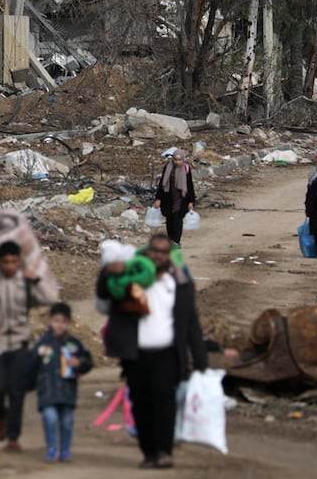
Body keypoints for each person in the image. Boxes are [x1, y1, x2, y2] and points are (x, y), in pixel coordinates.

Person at [95, 232, 209, 469]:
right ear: (147, 251)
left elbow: (190, 321)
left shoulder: (179, 282)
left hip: (167, 353)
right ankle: (148, 452)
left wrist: (200, 357)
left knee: (164, 399)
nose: (158, 256)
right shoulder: (132, 275)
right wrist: (107, 272)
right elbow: (104, 293)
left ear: (169, 255)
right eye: (154, 251)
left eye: (163, 252)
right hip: (135, 354)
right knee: (140, 402)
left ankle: (164, 451)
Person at [0, 240, 59, 452]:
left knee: (16, 392)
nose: (9, 266)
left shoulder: (25, 282)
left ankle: (13, 437)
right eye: (6, 262)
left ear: (19, 261)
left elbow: (51, 298)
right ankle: (2, 416)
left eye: (14, 261)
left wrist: (36, 280)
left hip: (19, 343)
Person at [25, 302, 93, 463]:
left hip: (67, 391)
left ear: (68, 323)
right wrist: (26, 384)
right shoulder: (42, 344)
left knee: (67, 420)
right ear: (50, 321)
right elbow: (31, 366)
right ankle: (51, 448)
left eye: (63, 321)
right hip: (47, 390)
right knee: (50, 417)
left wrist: (79, 364)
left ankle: (65, 450)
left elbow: (87, 361)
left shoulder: (74, 344)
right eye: (56, 321)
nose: (59, 325)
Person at [153, 148, 196, 247]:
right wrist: (158, 198)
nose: (177, 162)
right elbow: (162, 183)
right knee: (169, 219)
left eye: (179, 160)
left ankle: (176, 241)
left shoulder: (186, 169)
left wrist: (191, 201)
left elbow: (189, 185)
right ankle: (170, 240)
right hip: (168, 197)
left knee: (178, 219)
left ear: (183, 160)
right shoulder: (168, 167)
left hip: (181, 198)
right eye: (175, 160)